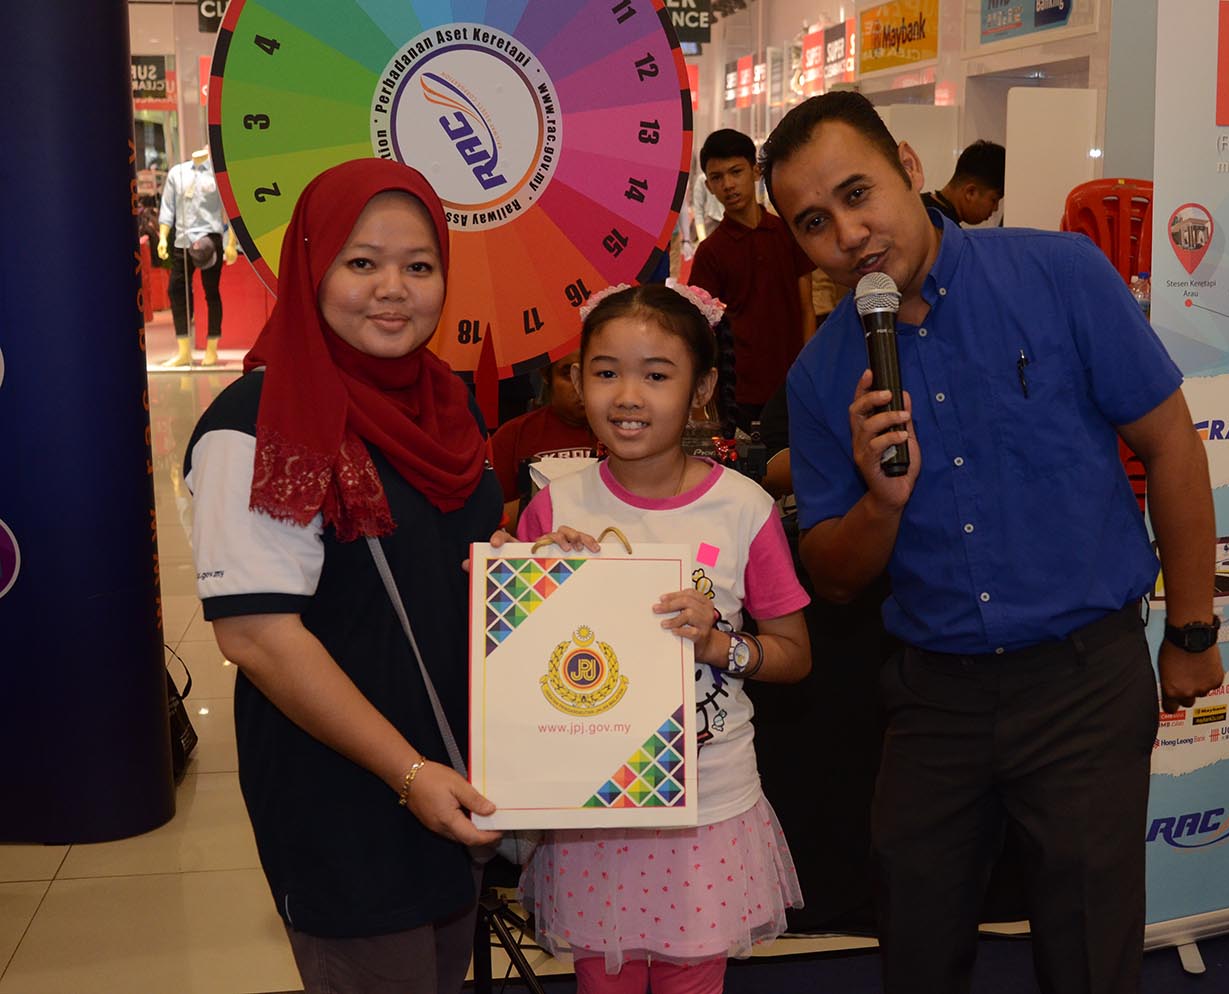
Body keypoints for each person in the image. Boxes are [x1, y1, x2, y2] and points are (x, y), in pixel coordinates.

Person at [760, 91, 1224, 994]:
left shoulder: (1059, 274)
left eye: (858, 194)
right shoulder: (821, 376)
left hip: (1085, 684)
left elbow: (1171, 441)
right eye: (814, 222)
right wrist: (881, 503)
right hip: (935, 699)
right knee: (916, 945)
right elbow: (833, 574)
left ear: (908, 165)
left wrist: (1193, 629)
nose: (848, 234)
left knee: (1089, 955)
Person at [184, 158, 504, 994]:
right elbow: (258, 636)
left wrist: (533, 561)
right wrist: (409, 772)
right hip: (346, 794)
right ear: (311, 269)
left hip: (457, 771)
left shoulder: (445, 402)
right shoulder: (259, 424)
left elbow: (447, 551)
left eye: (419, 265)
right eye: (361, 262)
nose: (393, 289)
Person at [512, 282, 811, 993]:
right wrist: (533, 584)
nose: (627, 396)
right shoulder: (554, 508)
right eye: (605, 372)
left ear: (700, 388)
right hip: (593, 811)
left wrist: (720, 646)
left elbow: (795, 655)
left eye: (656, 374)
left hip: (707, 809)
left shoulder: (743, 508)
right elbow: (518, 673)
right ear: (577, 379)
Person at [688, 129, 817, 427]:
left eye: (736, 172)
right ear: (708, 186)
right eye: (717, 177)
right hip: (738, 390)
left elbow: (807, 307)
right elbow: (701, 329)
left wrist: (810, 367)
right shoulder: (710, 252)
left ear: (756, 172)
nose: (728, 185)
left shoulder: (788, 232)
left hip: (792, 381)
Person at [487, 348, 595, 525]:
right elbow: (489, 518)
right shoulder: (513, 435)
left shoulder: (625, 437)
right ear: (546, 375)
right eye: (568, 374)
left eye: (594, 373)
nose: (580, 385)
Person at [157, 146, 238, 367]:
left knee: (211, 292)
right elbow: (168, 208)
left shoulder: (217, 174)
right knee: (176, 291)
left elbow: (230, 210)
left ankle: (212, 349)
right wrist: (163, 237)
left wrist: (231, 243)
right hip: (182, 240)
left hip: (209, 240)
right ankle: (184, 351)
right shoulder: (177, 173)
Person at [921, 139, 1006, 227]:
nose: (996, 208)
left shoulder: (920, 205)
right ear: (971, 192)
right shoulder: (941, 229)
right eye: (994, 200)